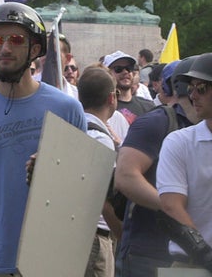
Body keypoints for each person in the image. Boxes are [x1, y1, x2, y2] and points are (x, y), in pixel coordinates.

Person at [0, 3, 86, 276]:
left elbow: (82, 191)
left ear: (35, 50)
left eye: (15, 40)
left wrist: (55, 171)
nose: (4, 48)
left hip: (42, 262)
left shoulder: (67, 108)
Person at [114, 55, 200, 277]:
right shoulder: (158, 122)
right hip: (147, 252)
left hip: (189, 255)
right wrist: (173, 208)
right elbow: (125, 176)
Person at [156, 52, 212, 271]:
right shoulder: (179, 142)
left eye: (201, 89)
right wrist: (205, 254)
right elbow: (170, 205)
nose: (192, 96)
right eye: (190, 89)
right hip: (191, 264)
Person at [78, 67, 123, 277]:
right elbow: (105, 197)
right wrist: (122, 233)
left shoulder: (74, 129)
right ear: (111, 98)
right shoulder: (102, 139)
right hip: (96, 237)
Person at [104, 51, 155, 124]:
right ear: (107, 74)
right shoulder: (102, 109)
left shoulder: (149, 106)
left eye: (129, 68)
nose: (125, 72)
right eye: (118, 69)